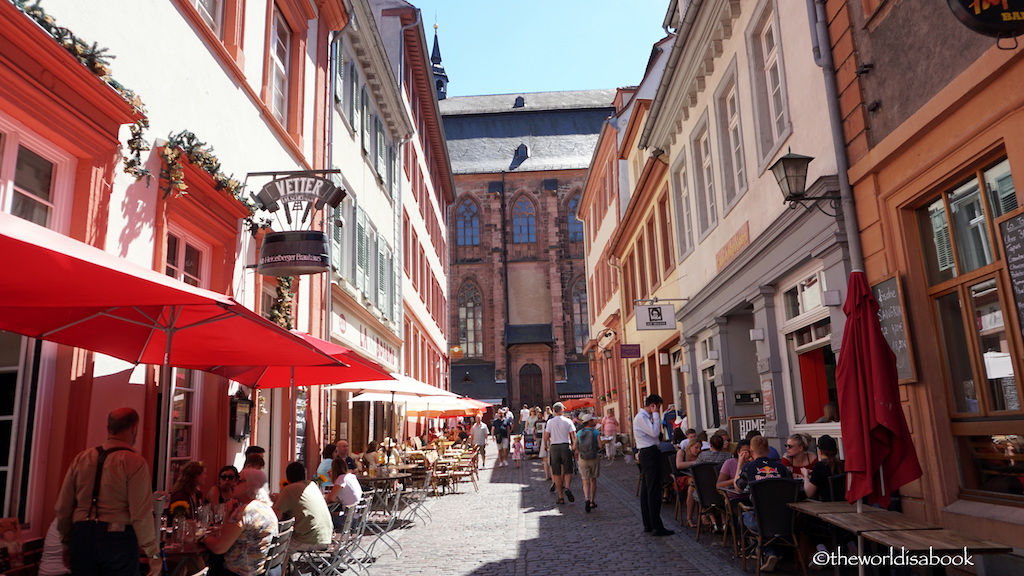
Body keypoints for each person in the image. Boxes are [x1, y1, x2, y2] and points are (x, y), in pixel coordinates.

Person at [54, 407, 160, 576]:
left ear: (108, 428)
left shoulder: (82, 458)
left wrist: (67, 542)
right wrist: (153, 553)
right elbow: (140, 513)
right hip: (118, 539)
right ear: (134, 428)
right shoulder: (134, 462)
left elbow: (63, 507)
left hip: (81, 535)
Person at [202, 467, 278, 576]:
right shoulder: (265, 508)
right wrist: (229, 512)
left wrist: (204, 538)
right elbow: (225, 535)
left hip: (239, 573)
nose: (234, 483)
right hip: (260, 571)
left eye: (239, 480)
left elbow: (219, 548)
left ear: (251, 485)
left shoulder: (245, 511)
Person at [736, 435, 791, 573]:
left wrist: (739, 465)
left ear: (751, 452)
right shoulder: (781, 467)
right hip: (785, 519)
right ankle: (773, 552)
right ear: (767, 450)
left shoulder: (749, 467)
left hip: (760, 519)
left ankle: (767, 551)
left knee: (741, 516)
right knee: (769, 525)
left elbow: (738, 488)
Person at [634, 394, 673, 536]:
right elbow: (655, 432)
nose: (658, 410)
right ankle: (656, 525)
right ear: (653, 405)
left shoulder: (642, 417)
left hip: (648, 452)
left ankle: (649, 523)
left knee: (646, 489)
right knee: (653, 489)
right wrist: (656, 415)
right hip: (649, 453)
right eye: (658, 407)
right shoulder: (642, 417)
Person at [273, 462, 333, 552]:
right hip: (326, 537)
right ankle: (287, 566)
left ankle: (284, 566)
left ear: (288, 478)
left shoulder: (289, 489)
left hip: (309, 541)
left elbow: (275, 517)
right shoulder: (312, 485)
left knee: (274, 544)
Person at [543, 402, 577, 505]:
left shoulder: (550, 422)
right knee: (568, 469)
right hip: (565, 445)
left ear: (554, 410)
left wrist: (549, 442)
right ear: (562, 410)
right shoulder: (568, 421)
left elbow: (546, 436)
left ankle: (560, 496)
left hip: (554, 447)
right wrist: (574, 447)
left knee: (556, 472)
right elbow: (573, 436)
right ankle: (567, 487)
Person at [324, 459, 363, 531]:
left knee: (324, 519)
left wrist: (324, 496)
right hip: (360, 517)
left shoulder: (341, 479)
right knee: (334, 514)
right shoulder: (351, 476)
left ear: (334, 469)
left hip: (350, 521)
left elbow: (330, 499)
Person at [803, 435, 843, 501]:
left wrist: (806, 476)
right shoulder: (842, 464)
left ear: (820, 451)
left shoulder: (819, 467)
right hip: (845, 504)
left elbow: (809, 493)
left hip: (827, 506)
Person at [575, 413, 602, 512]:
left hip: (582, 458)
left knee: (585, 480)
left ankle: (586, 498)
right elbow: (599, 445)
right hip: (593, 457)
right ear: (589, 422)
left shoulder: (579, 433)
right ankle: (592, 501)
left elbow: (574, 446)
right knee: (593, 480)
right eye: (593, 420)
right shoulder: (595, 432)